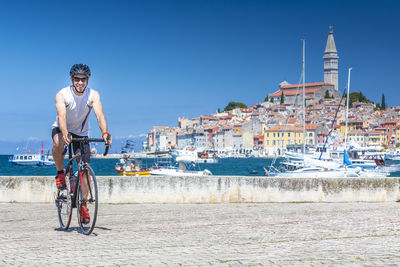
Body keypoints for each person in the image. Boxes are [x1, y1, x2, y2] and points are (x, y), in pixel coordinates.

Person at [52, 63, 112, 223]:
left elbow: (100, 114)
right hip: (62, 128)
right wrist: (65, 133)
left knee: (84, 170)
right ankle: (59, 173)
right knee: (58, 142)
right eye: (77, 79)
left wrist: (105, 133)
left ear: (88, 80)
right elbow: (61, 116)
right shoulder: (62, 94)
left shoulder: (93, 95)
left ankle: (83, 204)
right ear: (72, 79)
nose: (80, 82)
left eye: (83, 79)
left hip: (82, 133)